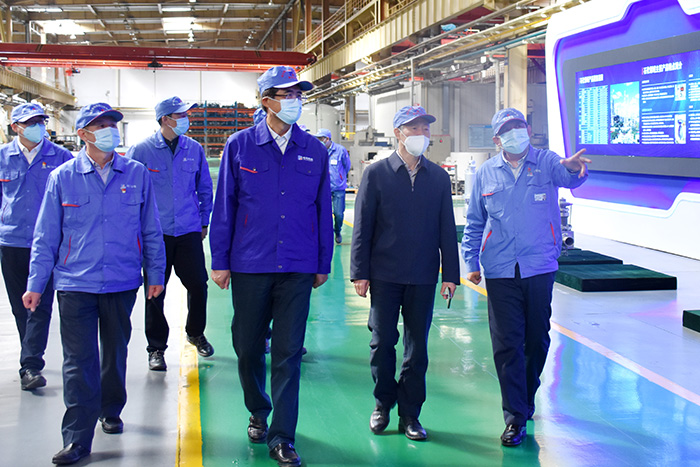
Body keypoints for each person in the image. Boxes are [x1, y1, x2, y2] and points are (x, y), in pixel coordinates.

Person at [22, 102, 165, 465]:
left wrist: (156, 274)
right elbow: (46, 236)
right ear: (83, 133)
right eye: (101, 126)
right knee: (78, 361)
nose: (109, 131)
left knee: (115, 353)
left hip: (121, 281)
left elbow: (151, 228)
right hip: (75, 283)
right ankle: (77, 437)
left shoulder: (136, 173)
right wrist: (36, 283)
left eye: (112, 125)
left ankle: (111, 409)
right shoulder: (63, 177)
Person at [209, 65, 332, 467]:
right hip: (250, 263)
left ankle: (283, 435)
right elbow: (224, 207)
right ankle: (258, 408)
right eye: (287, 94)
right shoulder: (239, 146)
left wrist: (323, 262)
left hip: (297, 264)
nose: (295, 100)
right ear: (266, 101)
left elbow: (322, 210)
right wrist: (220, 260)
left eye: (298, 94)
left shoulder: (314, 149)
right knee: (247, 347)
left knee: (288, 352)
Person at [461, 108, 590, 447]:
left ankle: (526, 396)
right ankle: (515, 417)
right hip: (500, 269)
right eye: (507, 129)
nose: (514, 133)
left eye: (519, 127)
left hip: (539, 266)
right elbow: (475, 221)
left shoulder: (546, 162)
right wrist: (471, 260)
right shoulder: (486, 173)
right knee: (506, 344)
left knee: (536, 339)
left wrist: (574, 169)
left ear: (529, 130)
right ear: (497, 139)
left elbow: (568, 177)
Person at [350, 105, 460, 441]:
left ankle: (410, 413)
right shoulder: (377, 174)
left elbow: (447, 228)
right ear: (398, 133)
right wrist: (359, 272)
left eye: (425, 129)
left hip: (423, 275)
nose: (422, 135)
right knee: (382, 342)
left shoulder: (438, 177)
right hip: (384, 274)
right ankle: (383, 403)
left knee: (418, 349)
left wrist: (450, 274)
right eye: (414, 129)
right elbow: (363, 226)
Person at [126, 96, 214, 371]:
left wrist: (203, 221)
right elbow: (128, 191)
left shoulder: (194, 149)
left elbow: (204, 187)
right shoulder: (141, 151)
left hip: (188, 230)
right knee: (155, 291)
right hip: (156, 234)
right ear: (165, 119)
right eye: (181, 115)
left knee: (198, 285)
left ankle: (195, 332)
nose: (186, 120)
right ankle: (156, 348)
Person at [0, 102, 72, 390]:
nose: (38, 127)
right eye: (31, 122)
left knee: (40, 304)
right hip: (12, 242)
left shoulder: (61, 157)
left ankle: (30, 365)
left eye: (41, 121)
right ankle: (28, 354)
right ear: (16, 127)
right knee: (21, 306)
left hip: (48, 244)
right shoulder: (3, 157)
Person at [315, 128, 351, 244]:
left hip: (338, 187)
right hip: (323, 188)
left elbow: (347, 166)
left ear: (327, 139)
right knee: (323, 213)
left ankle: (338, 231)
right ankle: (326, 235)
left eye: (321, 139)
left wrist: (339, 177)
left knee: (338, 213)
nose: (319, 141)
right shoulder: (317, 150)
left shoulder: (340, 150)